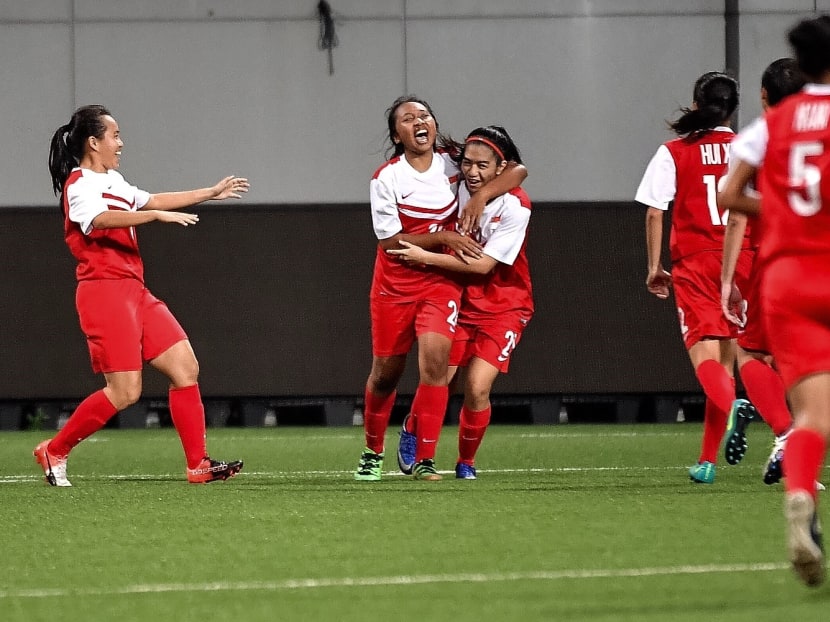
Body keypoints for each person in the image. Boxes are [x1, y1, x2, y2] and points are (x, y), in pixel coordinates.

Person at [39, 104, 247, 486]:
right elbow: (98, 221)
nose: (120, 143)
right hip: (104, 292)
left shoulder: (114, 182)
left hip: (135, 291)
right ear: (93, 141)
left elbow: (152, 200)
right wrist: (152, 217)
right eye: (114, 136)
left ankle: (198, 464)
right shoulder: (79, 184)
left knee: (185, 367)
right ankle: (55, 449)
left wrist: (211, 192)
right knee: (125, 392)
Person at [354, 96, 527, 482]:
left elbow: (518, 169)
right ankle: (372, 451)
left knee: (435, 366)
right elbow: (390, 244)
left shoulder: (454, 161)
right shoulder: (387, 177)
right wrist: (445, 236)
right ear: (397, 135)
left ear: (434, 124)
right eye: (407, 118)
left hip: (440, 281)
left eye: (424, 115)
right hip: (394, 285)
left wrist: (481, 195)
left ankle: (426, 460)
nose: (418, 121)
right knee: (385, 375)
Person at [719, 15, 830, 587]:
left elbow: (730, 193)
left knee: (814, 415)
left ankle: (800, 503)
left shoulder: (774, 123)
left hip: (787, 276)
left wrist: (789, 215)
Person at [635, 72, 756, 484]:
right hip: (744, 259)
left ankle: (736, 407)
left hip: (697, 261)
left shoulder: (674, 151)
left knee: (706, 362)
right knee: (727, 359)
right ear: (734, 108)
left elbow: (655, 209)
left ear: (695, 104)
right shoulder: (750, 149)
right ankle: (707, 461)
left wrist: (654, 266)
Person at [719, 58, 806, 484]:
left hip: (780, 263)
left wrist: (727, 278)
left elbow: (732, 208)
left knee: (748, 351)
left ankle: (786, 436)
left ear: (763, 96)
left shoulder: (761, 137)